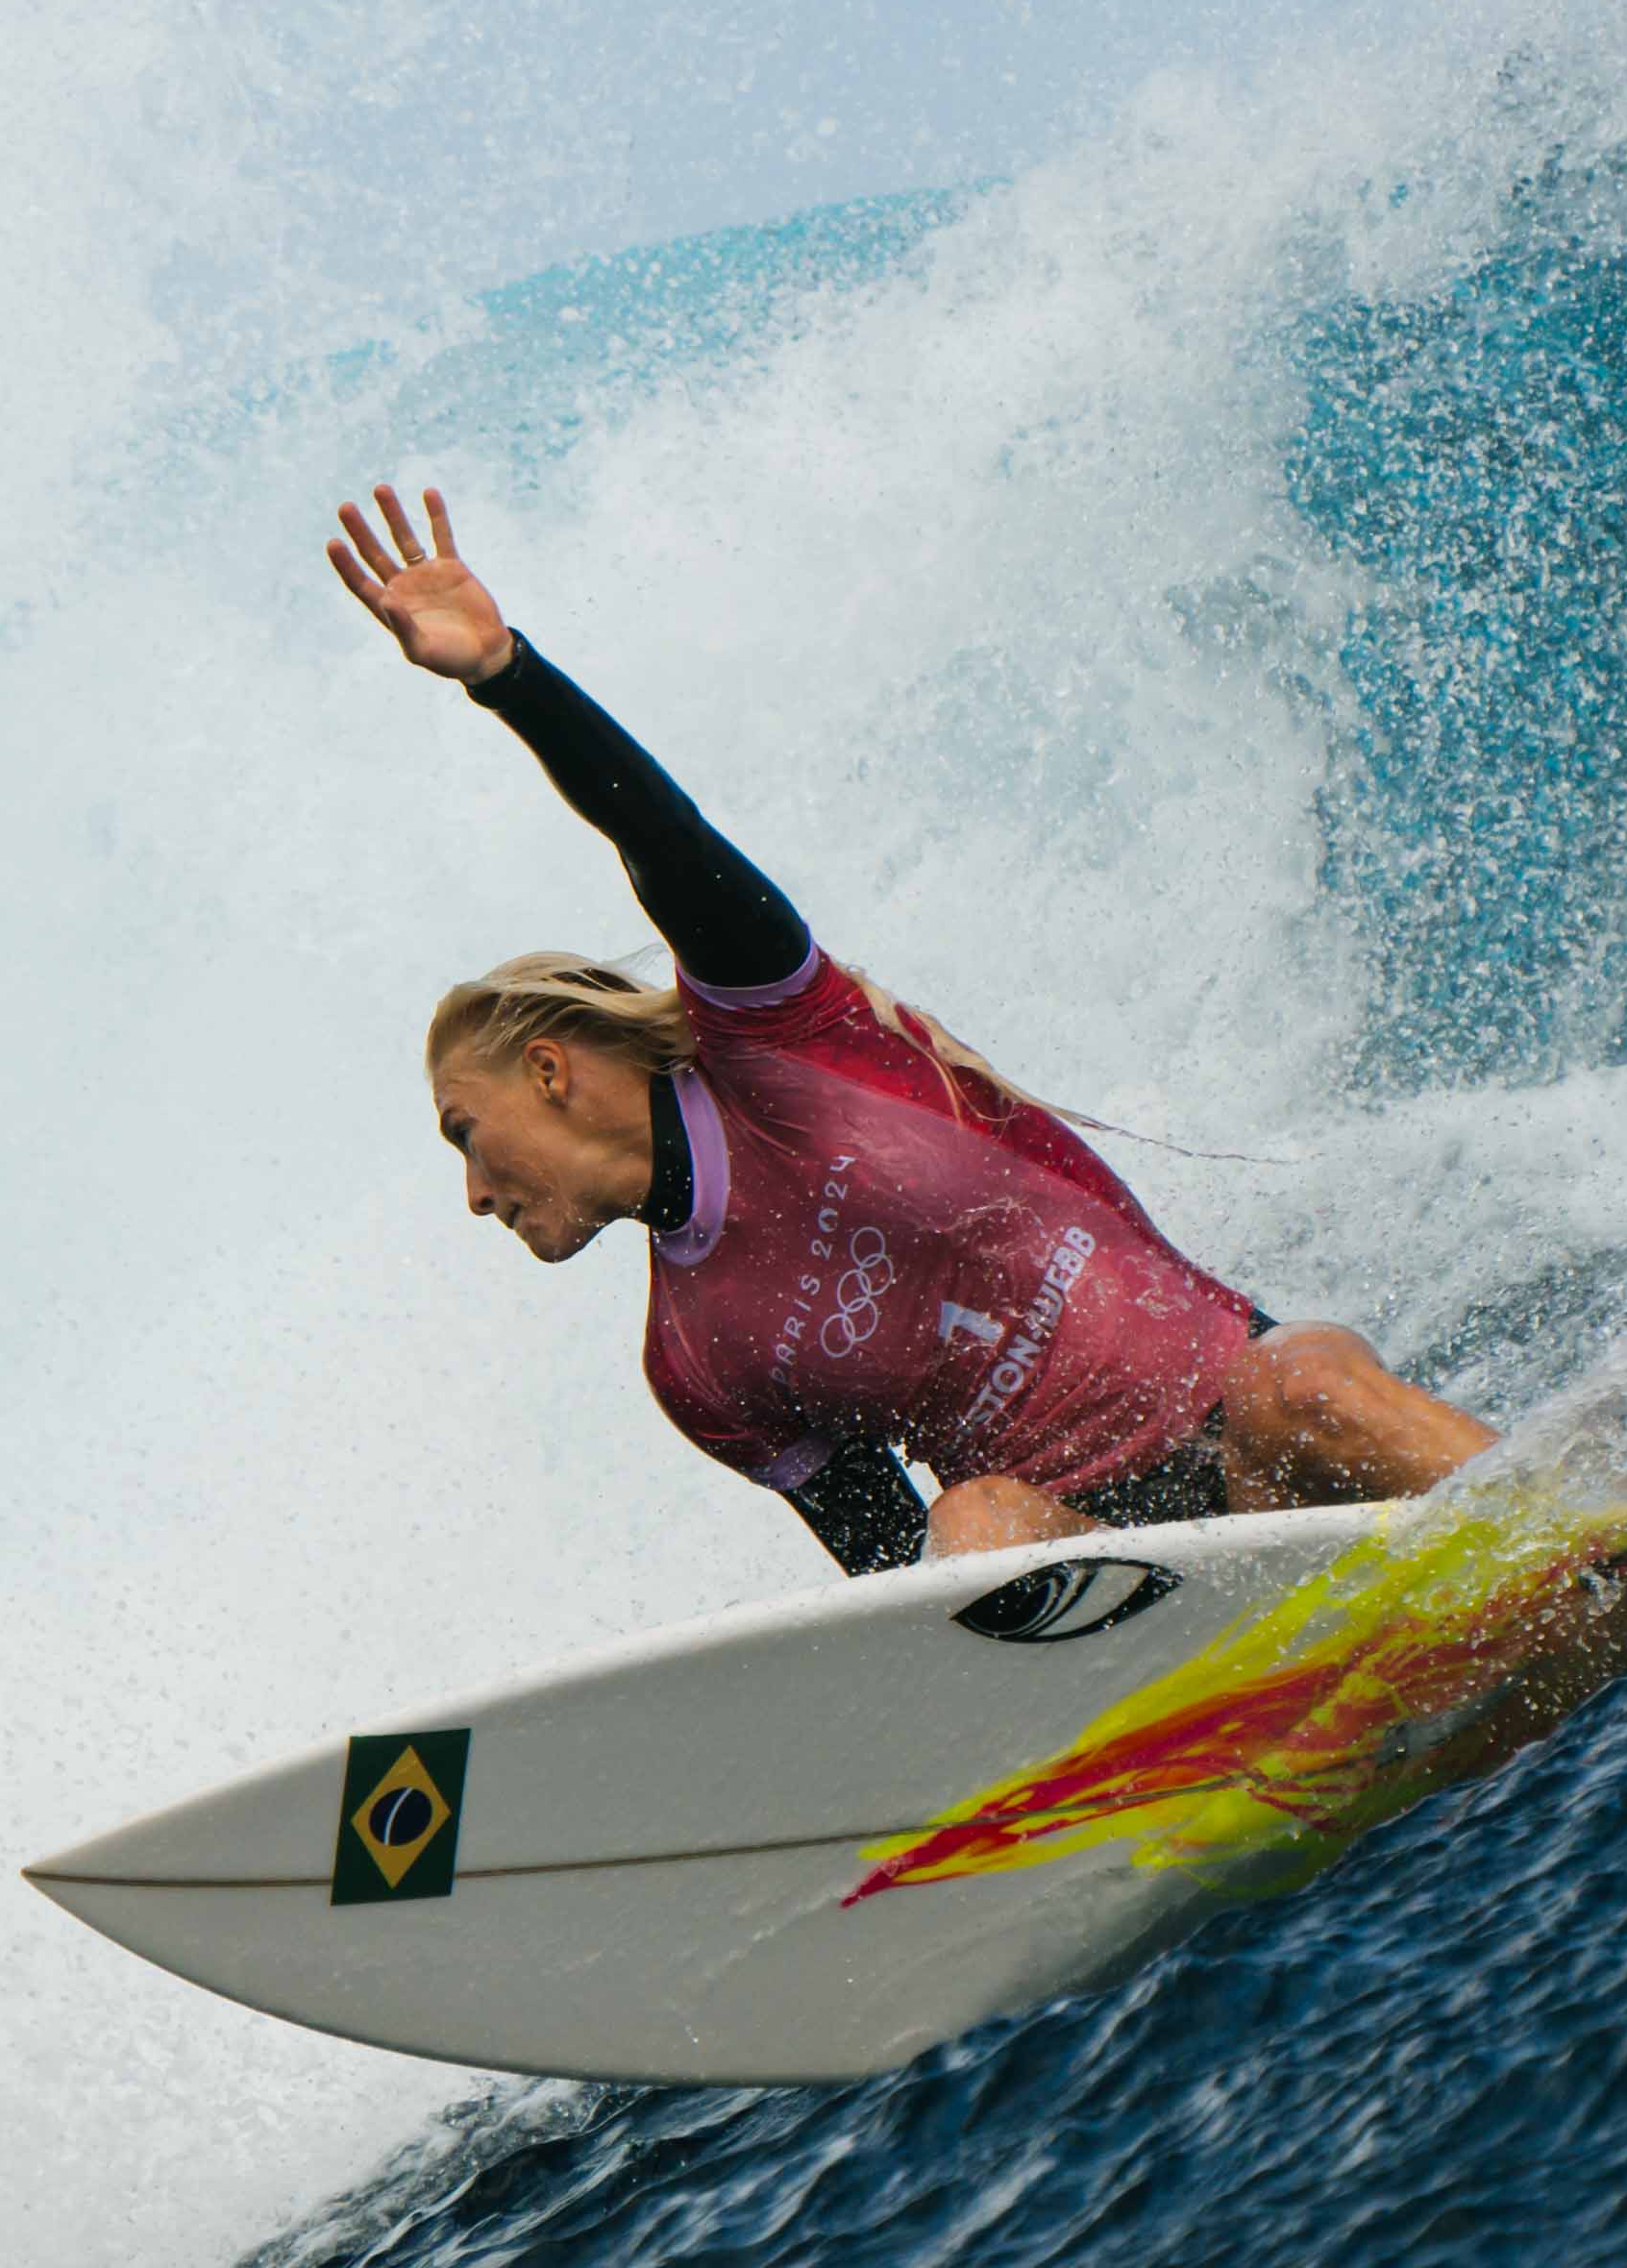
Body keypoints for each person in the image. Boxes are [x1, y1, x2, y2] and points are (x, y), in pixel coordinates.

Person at [332, 481, 1497, 1574]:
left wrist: (505, 675)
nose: (475, 1194)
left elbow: (665, 840)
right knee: (971, 1522)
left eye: (464, 1135)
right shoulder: (695, 1364)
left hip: (1272, 1449)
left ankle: (1607, 1537)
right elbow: (897, 1582)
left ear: (546, 1071)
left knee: (1298, 1381)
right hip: (1119, 1579)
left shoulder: (777, 1031)